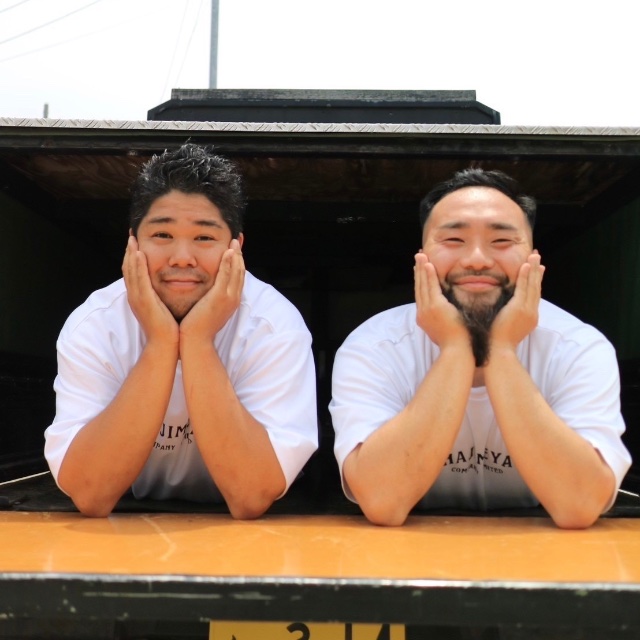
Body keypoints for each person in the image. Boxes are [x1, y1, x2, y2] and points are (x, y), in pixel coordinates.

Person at [330, 168, 631, 529]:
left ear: (533, 260)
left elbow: (579, 505)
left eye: (501, 241)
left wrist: (500, 350)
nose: (476, 259)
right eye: (453, 239)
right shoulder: (375, 346)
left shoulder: (578, 347)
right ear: (421, 257)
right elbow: (382, 501)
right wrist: (455, 348)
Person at [45, 143, 318, 518]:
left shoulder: (273, 325)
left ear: (236, 247)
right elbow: (90, 494)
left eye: (204, 238)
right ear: (133, 242)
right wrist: (161, 342)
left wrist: (198, 340)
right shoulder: (95, 324)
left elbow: (251, 494)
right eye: (162, 235)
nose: (182, 258)